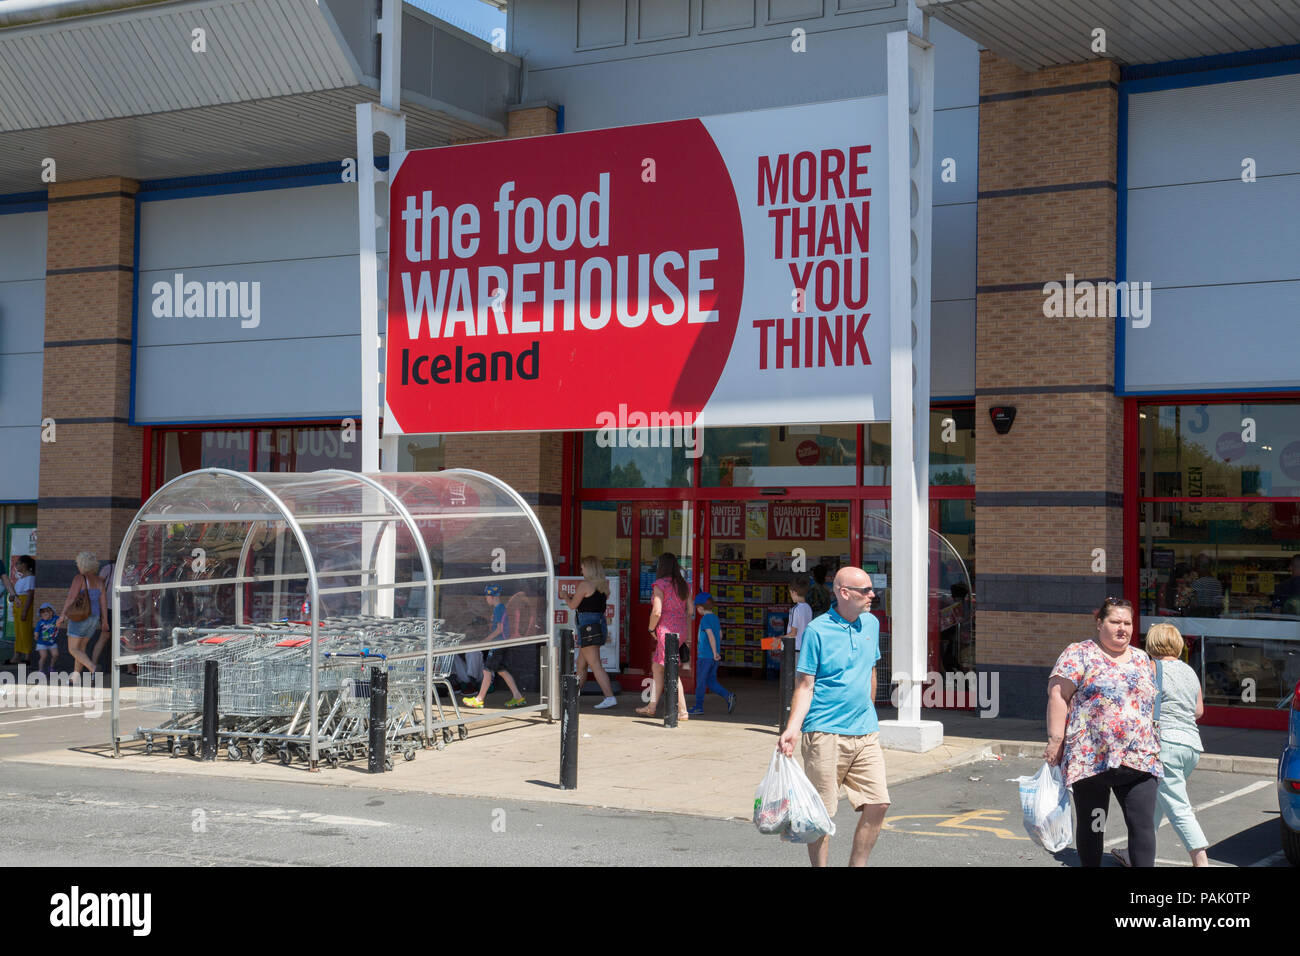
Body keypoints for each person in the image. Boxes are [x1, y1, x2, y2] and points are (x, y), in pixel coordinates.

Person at [777, 567, 890, 867]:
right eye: (865, 590)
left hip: (865, 732)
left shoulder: (871, 624)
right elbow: (805, 685)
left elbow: (872, 670)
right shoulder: (817, 630)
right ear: (844, 593)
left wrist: (868, 709)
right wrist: (792, 729)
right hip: (824, 733)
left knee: (878, 802)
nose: (872, 595)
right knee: (821, 816)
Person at [1045, 597, 1161, 867]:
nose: (1123, 628)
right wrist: (1056, 740)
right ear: (1099, 624)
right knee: (1094, 824)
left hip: (1139, 758)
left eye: (1127, 623)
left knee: (1142, 826)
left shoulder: (1142, 658)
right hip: (1092, 760)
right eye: (1115, 622)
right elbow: (1058, 696)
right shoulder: (1080, 653)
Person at [1114, 623, 1209, 867]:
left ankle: (1201, 861)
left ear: (1152, 644)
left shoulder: (1151, 668)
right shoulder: (1189, 671)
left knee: (1177, 806)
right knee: (1156, 800)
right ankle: (1134, 853)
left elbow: (1139, 705)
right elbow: (1198, 710)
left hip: (1164, 743)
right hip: (1191, 745)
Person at [636, 552, 693, 720]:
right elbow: (690, 611)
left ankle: (682, 711)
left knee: (671, 670)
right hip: (681, 629)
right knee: (657, 667)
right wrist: (687, 635)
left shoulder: (660, 584)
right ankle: (651, 706)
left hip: (665, 630)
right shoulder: (684, 585)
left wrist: (650, 629)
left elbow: (657, 611)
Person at [565, 556, 618, 710]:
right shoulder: (603, 587)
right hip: (598, 626)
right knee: (581, 664)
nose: (581, 570)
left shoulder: (585, 585)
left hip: (587, 628)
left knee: (595, 665)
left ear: (589, 569)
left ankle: (609, 697)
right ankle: (573, 696)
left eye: (582, 568)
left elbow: (573, 605)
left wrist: (564, 597)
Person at [462, 584, 526, 709]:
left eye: (486, 597)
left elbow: (499, 629)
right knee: (501, 671)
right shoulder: (500, 608)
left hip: (498, 644)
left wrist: (485, 641)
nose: (486, 599)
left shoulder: (498, 609)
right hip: (502, 644)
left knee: (487, 670)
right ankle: (518, 696)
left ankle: (479, 699)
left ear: (492, 597)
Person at [58, 552, 107, 678]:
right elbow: (103, 603)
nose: (77, 565)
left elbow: (71, 598)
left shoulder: (79, 578)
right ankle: (75, 677)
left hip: (80, 617)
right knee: (81, 648)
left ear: (82, 564)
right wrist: (105, 621)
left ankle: (93, 668)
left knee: (73, 649)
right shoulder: (99, 580)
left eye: (78, 563)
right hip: (94, 619)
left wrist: (62, 615)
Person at [688, 593, 734, 715]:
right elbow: (720, 635)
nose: (697, 610)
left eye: (697, 607)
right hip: (714, 657)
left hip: (706, 656)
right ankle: (728, 696)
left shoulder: (705, 619)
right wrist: (717, 652)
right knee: (711, 681)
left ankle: (698, 706)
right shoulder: (715, 618)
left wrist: (713, 652)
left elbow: (711, 635)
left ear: (701, 608)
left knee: (701, 682)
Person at [8, 555, 36, 666]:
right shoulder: (21, 578)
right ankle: (17, 655)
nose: (16, 566)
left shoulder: (30, 578)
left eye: (18, 563)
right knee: (19, 632)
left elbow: (30, 595)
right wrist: (12, 597)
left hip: (24, 607)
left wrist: (25, 611)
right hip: (17, 605)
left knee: (25, 631)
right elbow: (15, 593)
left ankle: (27, 656)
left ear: (24, 565)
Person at [90, 555, 115, 670]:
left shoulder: (130, 571)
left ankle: (129, 667)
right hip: (109, 608)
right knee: (105, 636)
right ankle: (93, 664)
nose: (129, 556)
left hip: (126, 609)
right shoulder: (108, 569)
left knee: (126, 637)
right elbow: (97, 586)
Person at [778, 576, 813, 655]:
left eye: (790, 593)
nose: (790, 596)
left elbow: (793, 633)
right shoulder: (809, 608)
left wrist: (780, 639)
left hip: (795, 647)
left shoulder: (795, 609)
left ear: (794, 592)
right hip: (805, 648)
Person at [34, 602, 59, 674]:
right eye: (42, 612)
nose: (44, 614)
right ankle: (40, 670)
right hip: (42, 642)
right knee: (44, 656)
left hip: (52, 642)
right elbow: (36, 631)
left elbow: (62, 619)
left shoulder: (55, 619)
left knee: (56, 655)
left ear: (51, 612)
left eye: (47, 612)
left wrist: (65, 618)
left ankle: (51, 667)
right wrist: (36, 635)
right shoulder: (40, 622)